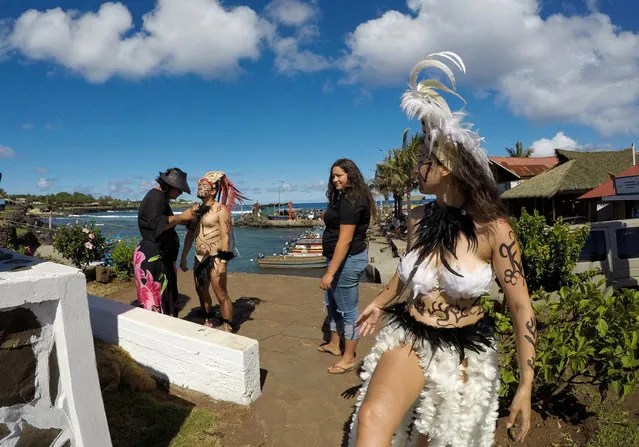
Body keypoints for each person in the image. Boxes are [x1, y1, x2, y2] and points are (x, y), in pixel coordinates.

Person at [348, 52, 536, 446]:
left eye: (422, 160)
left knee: (432, 441)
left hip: (464, 350)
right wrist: (380, 302)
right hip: (411, 335)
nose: (417, 168)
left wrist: (526, 384)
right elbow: (406, 277)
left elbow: (521, 307)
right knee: (372, 417)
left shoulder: (493, 230)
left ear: (445, 167)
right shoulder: (418, 218)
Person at [318, 158, 375, 374]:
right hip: (337, 259)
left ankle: (349, 356)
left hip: (347, 262)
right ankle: (334, 344)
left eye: (339, 175)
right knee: (332, 305)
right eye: (333, 176)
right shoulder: (343, 197)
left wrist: (330, 273)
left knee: (349, 313)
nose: (334, 180)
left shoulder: (353, 199)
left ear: (350, 175)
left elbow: (346, 240)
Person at [180, 171, 246, 332]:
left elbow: (225, 237)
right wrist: (183, 258)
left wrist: (223, 262)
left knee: (220, 293)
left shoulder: (220, 210)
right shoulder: (195, 210)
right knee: (201, 291)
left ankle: (228, 326)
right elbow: (189, 235)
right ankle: (208, 318)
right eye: (199, 186)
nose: (201, 188)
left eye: (205, 186)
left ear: (213, 191)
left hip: (215, 257)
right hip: (199, 257)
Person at [134, 167, 197, 317]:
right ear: (169, 186)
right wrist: (181, 217)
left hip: (161, 257)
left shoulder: (160, 198)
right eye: (179, 190)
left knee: (166, 299)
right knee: (156, 304)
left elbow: (164, 222)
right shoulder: (156, 197)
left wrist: (185, 219)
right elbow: (157, 224)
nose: (180, 193)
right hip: (154, 258)